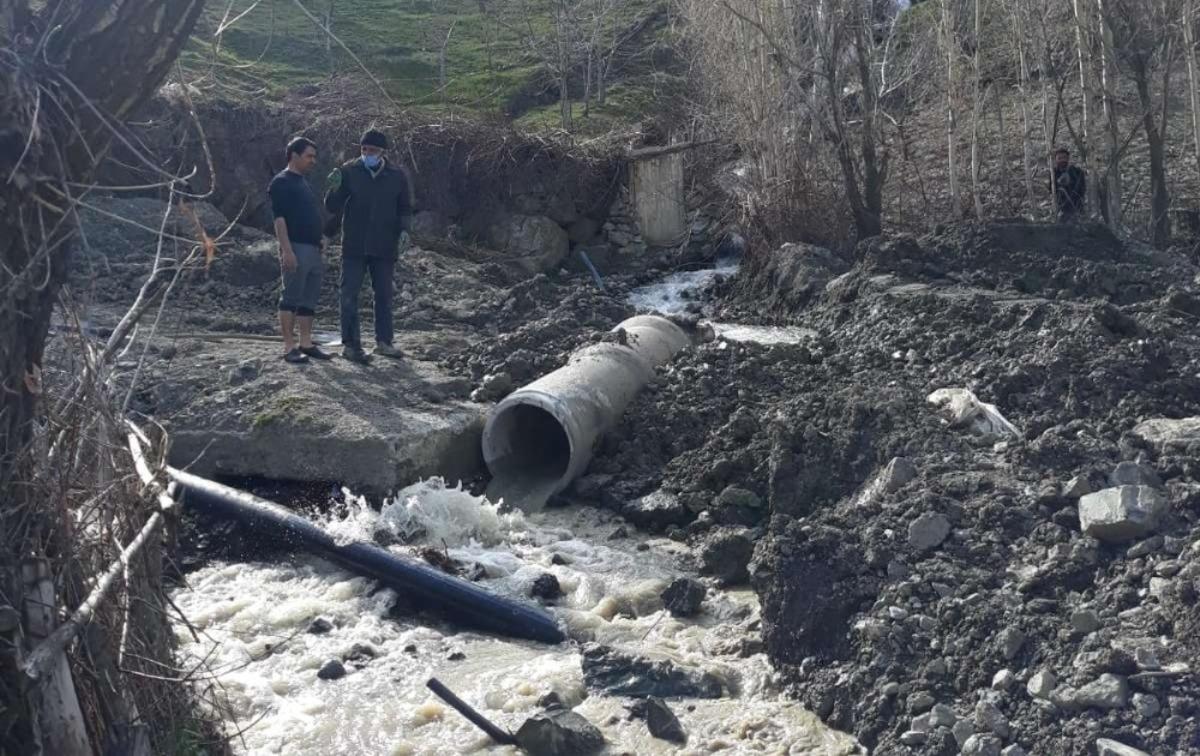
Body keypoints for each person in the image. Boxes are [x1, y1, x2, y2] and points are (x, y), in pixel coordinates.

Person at [323, 128, 414, 364]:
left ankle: (384, 342)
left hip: (384, 245)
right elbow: (333, 207)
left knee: (383, 295)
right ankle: (351, 345)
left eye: (372, 150)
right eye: (364, 149)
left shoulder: (396, 176)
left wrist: (405, 230)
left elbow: (404, 207)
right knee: (349, 294)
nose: (368, 154)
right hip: (354, 244)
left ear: (382, 152)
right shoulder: (349, 171)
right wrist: (333, 188)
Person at [269, 136, 332, 364]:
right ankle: (288, 346)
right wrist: (287, 250)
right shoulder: (281, 182)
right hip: (295, 247)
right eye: (309, 156)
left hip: (314, 249)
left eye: (314, 156)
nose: (313, 161)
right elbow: (279, 219)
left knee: (310, 298)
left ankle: (306, 343)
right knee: (291, 297)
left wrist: (321, 239)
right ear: (294, 155)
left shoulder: (304, 182)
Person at [1051, 147, 1086, 223]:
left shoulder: (1077, 172)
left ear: (1068, 159)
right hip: (1061, 207)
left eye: (1065, 158)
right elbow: (1051, 189)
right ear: (1055, 160)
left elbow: (1082, 189)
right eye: (1059, 158)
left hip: (1076, 206)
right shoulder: (1053, 173)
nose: (1062, 160)